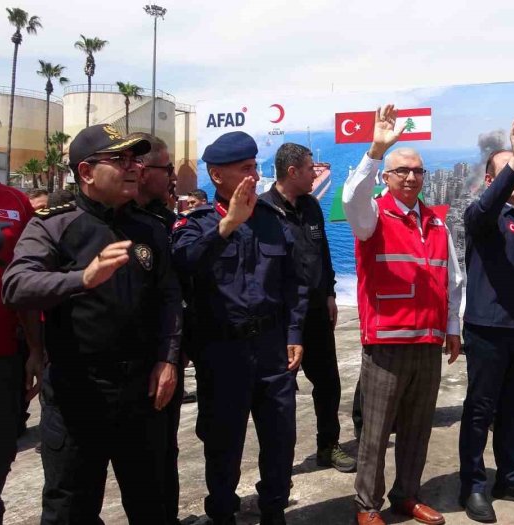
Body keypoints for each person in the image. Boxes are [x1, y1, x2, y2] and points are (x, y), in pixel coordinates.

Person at [2, 124, 182, 524]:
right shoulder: (52, 224)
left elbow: (169, 297)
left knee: (153, 504)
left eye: (136, 158)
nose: (133, 167)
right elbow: (15, 284)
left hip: (143, 392)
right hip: (78, 393)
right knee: (71, 509)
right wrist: (81, 279)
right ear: (86, 172)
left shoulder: (149, 226)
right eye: (119, 159)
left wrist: (168, 359)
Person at [171, 131, 307, 525]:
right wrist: (227, 225)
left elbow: (295, 283)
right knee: (222, 442)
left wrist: (295, 333)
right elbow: (183, 264)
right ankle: (223, 512)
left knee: (280, 440)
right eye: (245, 169)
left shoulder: (272, 220)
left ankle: (273, 509)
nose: (255, 175)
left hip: (271, 349)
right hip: (222, 351)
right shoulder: (196, 223)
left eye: (255, 167)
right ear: (217, 176)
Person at [343, 105, 463, 525]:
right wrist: (377, 149)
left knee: (417, 430)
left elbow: (453, 279)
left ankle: (407, 496)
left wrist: (452, 328)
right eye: (402, 171)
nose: (411, 177)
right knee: (376, 433)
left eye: (417, 171)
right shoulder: (371, 215)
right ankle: (367, 505)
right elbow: (349, 196)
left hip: (427, 345)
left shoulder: (436, 223)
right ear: (387, 178)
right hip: (386, 345)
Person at [458, 122, 514, 523]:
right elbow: (486, 206)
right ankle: (474, 485)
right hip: (489, 330)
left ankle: (509, 476)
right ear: (493, 178)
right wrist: (513, 159)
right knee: (481, 411)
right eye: (512, 168)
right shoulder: (480, 214)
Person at [260, 143, 356, 473]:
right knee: (280, 395)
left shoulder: (312, 207)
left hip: (316, 312)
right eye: (310, 168)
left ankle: (328, 446)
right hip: (281, 320)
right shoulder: (261, 211)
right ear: (292, 172)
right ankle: (278, 466)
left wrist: (329, 293)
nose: (316, 173)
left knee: (328, 383)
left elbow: (323, 253)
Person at [133, 134, 187, 525]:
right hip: (119, 365)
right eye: (165, 169)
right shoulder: (102, 224)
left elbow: (175, 293)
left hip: (164, 360)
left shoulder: (165, 222)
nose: (172, 177)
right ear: (141, 170)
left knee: (164, 452)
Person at [0, 179, 39, 524]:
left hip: (5, 353)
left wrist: (36, 349)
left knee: (2, 451)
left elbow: (26, 279)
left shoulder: (15, 201)